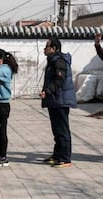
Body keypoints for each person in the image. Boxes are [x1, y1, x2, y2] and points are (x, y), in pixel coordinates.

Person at [40, 37, 77, 168]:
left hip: (61, 100)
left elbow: (59, 80)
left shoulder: (59, 61)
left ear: (53, 49)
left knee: (62, 130)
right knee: (56, 130)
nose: (44, 49)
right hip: (55, 100)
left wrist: (47, 91)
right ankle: (57, 155)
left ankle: (65, 158)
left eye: (47, 46)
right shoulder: (52, 60)